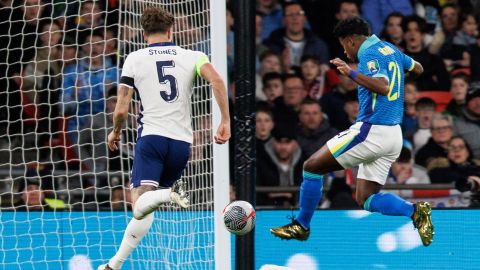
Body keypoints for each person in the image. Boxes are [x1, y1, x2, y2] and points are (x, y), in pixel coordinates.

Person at [270, 17, 434, 247]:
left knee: (311, 167)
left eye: (344, 45)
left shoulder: (369, 54)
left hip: (372, 130)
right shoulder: (390, 49)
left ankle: (301, 225)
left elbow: (383, 87)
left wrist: (351, 73)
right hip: (393, 134)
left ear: (351, 40)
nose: (345, 52)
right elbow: (418, 68)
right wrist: (398, 74)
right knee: (365, 198)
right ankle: (415, 212)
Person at [98, 7, 230, 270]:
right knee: (148, 206)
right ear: (171, 30)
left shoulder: (134, 58)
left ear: (143, 32)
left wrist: (115, 131)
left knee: (139, 205)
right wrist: (225, 120)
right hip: (182, 145)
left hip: (152, 140)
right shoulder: (193, 55)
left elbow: (122, 107)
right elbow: (216, 80)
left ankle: (170, 194)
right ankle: (114, 265)